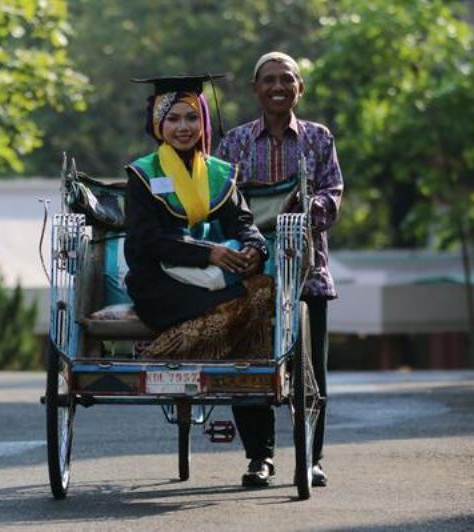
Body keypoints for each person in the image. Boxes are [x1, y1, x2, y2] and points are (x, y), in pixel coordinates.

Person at [216, 52, 344, 488]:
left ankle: (311, 457)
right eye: (268, 80)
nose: (278, 87)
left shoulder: (318, 138)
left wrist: (304, 210)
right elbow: (220, 203)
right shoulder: (233, 143)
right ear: (255, 89)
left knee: (312, 371)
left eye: (286, 80)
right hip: (248, 273)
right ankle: (259, 458)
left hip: (308, 271)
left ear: (299, 88)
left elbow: (333, 193)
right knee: (246, 365)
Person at [124, 74, 272, 361]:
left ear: (202, 122)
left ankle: (231, 377)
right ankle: (161, 355)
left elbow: (242, 223)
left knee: (266, 290)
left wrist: (255, 248)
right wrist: (208, 253)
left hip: (212, 277)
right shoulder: (143, 174)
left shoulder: (219, 172)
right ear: (158, 124)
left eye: (192, 118)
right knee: (238, 306)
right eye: (173, 119)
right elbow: (145, 239)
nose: (183, 128)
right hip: (160, 285)